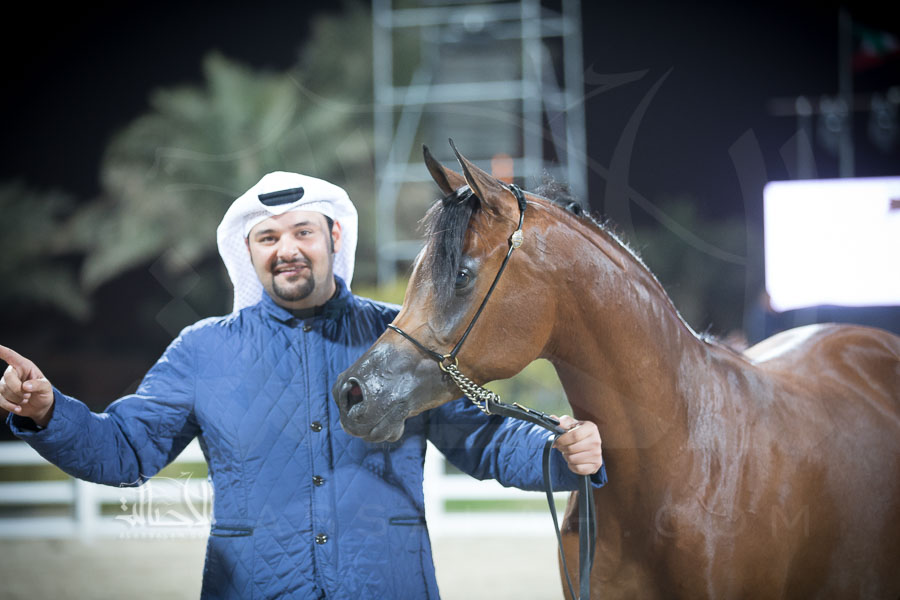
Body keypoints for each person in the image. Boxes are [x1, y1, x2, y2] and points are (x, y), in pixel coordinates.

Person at [1, 172, 605, 599]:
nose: (286, 249)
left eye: (302, 232)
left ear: (334, 238)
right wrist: (48, 412)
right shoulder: (201, 350)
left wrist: (559, 453)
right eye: (268, 238)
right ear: (248, 252)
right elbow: (123, 452)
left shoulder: (399, 338)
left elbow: (485, 439)